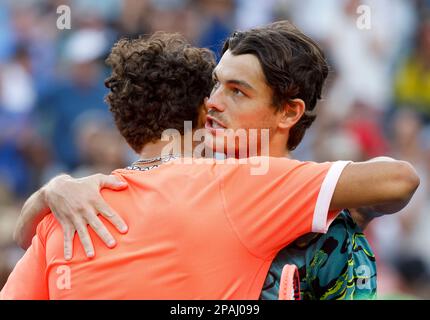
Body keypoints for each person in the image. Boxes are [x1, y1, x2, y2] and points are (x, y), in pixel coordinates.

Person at [2, 23, 419, 299]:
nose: (213, 103)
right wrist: (52, 190)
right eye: (216, 84)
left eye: (237, 91)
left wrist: (358, 210)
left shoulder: (335, 237)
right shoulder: (184, 189)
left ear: (288, 112)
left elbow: (400, 179)